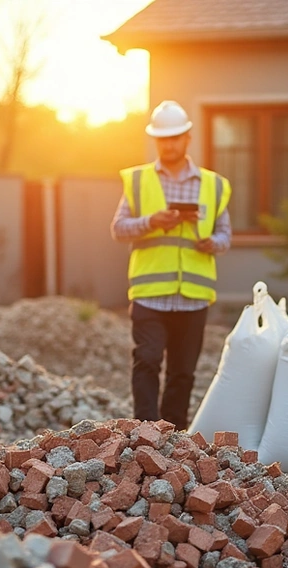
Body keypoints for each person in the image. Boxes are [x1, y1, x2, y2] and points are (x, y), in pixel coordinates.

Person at [111, 100, 232, 428]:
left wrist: (212, 244)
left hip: (192, 296)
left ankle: (174, 438)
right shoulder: (138, 181)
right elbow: (119, 229)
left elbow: (225, 236)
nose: (168, 144)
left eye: (174, 137)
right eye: (162, 138)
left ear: (187, 137)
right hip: (150, 293)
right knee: (147, 361)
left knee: (183, 372)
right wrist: (152, 221)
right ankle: (146, 434)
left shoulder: (213, 185)